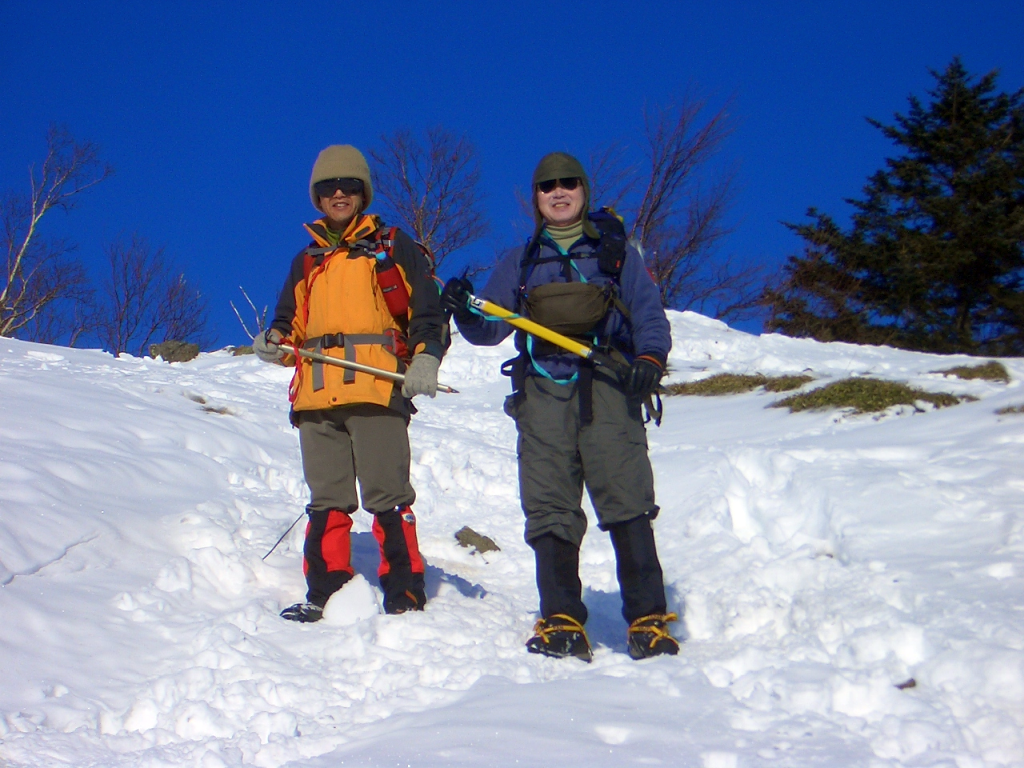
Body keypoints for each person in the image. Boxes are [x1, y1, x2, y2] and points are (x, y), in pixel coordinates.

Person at [441, 152, 679, 661]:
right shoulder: (519, 262)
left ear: (584, 190)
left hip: (608, 386)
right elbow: (490, 329)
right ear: (536, 198)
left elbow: (648, 315)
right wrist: (463, 310)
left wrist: (649, 360)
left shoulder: (617, 256)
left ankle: (648, 620)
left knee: (626, 497)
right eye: (547, 185)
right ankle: (562, 618)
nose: (558, 191)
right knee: (549, 504)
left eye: (568, 182)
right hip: (543, 392)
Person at [254, 144, 446, 622]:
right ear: (317, 197)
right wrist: (274, 341)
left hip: (376, 390)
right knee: (327, 499)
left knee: (388, 493)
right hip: (317, 395)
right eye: (327, 188)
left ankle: (403, 589)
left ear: (363, 192)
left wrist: (426, 359)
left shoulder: (391, 245)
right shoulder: (307, 260)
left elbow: (427, 310)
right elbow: (287, 323)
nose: (338, 194)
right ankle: (326, 590)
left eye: (348, 186)